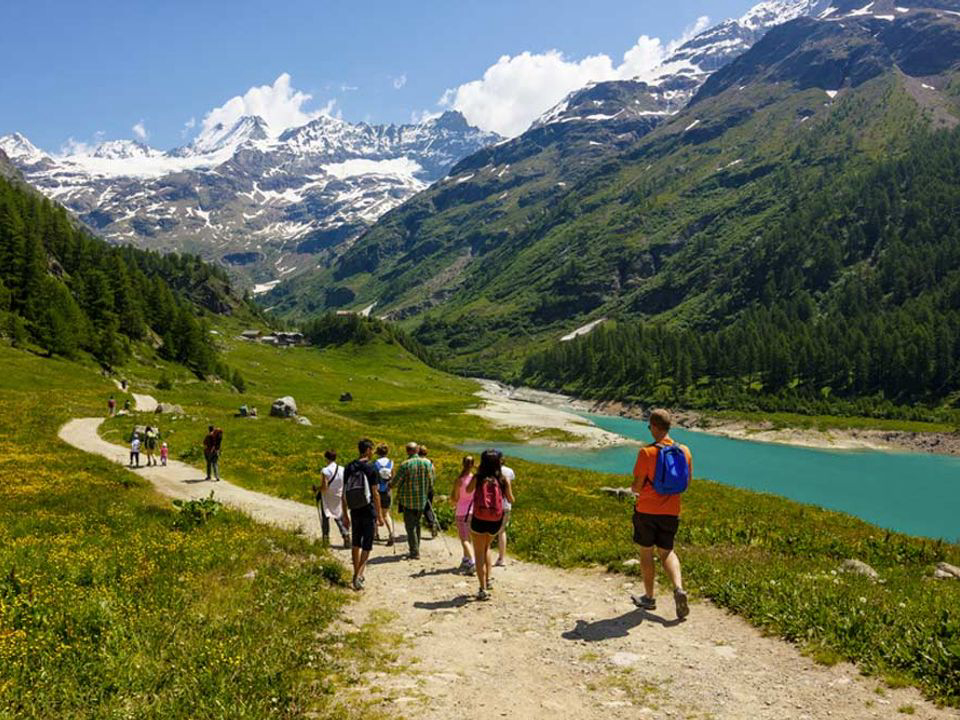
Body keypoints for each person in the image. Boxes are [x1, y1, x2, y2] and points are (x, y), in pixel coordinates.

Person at [630, 408, 693, 620]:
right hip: (671, 511)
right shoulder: (684, 451)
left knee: (646, 552)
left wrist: (635, 489)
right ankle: (678, 588)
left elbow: (637, 487)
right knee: (667, 552)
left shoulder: (646, 453)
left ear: (655, 427)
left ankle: (649, 598)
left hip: (647, 511)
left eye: (649, 426)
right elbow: (686, 484)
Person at [467, 449, 514, 601]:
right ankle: (488, 580)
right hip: (495, 519)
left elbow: (468, 491)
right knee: (487, 547)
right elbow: (511, 499)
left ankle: (482, 588)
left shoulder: (478, 477)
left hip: (479, 518)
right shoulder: (503, 479)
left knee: (478, 552)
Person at [340, 439, 383, 590]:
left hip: (354, 509)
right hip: (368, 509)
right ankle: (359, 574)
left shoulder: (349, 467)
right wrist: (380, 515)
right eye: (371, 450)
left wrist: (345, 514)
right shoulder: (370, 468)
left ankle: (355, 572)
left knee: (356, 542)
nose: (372, 452)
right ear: (367, 450)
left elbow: (344, 492)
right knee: (367, 544)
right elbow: (375, 493)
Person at [392, 441, 435, 559]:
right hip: (422, 500)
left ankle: (414, 551)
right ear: (417, 450)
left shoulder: (405, 464)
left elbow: (396, 482)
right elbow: (431, 482)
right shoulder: (427, 463)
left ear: (407, 451)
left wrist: (390, 485)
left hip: (408, 500)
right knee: (417, 524)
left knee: (410, 527)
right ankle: (416, 547)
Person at [316, 449, 349, 548]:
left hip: (327, 496)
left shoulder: (325, 470)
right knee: (338, 516)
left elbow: (325, 486)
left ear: (326, 458)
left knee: (325, 516)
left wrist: (317, 488)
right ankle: (345, 534)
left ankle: (325, 539)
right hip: (339, 495)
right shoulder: (342, 469)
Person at [451, 455, 476, 575]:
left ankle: (472, 561)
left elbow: (455, 498)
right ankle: (466, 559)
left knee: (464, 539)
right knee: (469, 537)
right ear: (473, 465)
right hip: (473, 510)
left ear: (463, 464)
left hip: (461, 511)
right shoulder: (475, 479)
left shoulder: (459, 480)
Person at [373, 444, 396, 546]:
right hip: (387, 490)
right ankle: (391, 533)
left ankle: (376, 534)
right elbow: (393, 477)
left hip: (377, 491)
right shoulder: (391, 463)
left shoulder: (375, 464)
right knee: (386, 514)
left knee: (375, 512)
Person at [496, 455, 515, 567]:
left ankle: (483, 555)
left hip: (493, 505)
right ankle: (501, 558)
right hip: (506, 505)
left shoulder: (490, 471)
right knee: (502, 532)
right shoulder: (509, 471)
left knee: (488, 531)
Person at [418, 444, 440, 537]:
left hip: (420, 488)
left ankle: (416, 527)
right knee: (428, 508)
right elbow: (434, 476)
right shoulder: (430, 463)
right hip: (430, 488)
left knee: (418, 508)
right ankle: (432, 522)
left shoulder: (418, 462)